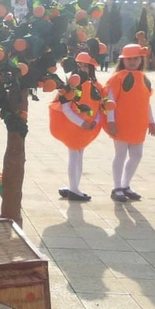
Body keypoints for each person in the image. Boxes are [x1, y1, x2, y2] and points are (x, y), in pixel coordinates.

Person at [104, 44, 155, 202]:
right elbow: (110, 100)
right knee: (120, 155)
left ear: (141, 60)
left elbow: (146, 102)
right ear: (123, 60)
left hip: (138, 124)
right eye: (129, 59)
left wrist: (151, 121)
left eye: (136, 58)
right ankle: (117, 187)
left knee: (137, 155)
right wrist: (111, 121)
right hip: (122, 122)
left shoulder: (144, 79)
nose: (132, 62)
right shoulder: (118, 78)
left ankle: (125, 185)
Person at [50, 53, 108, 202]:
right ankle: (74, 189)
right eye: (79, 66)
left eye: (85, 66)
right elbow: (65, 108)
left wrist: (94, 121)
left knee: (78, 156)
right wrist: (81, 123)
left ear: (92, 68)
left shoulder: (97, 87)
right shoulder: (70, 88)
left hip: (86, 127)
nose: (82, 69)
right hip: (74, 127)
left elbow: (100, 107)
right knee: (75, 156)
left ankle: (73, 186)